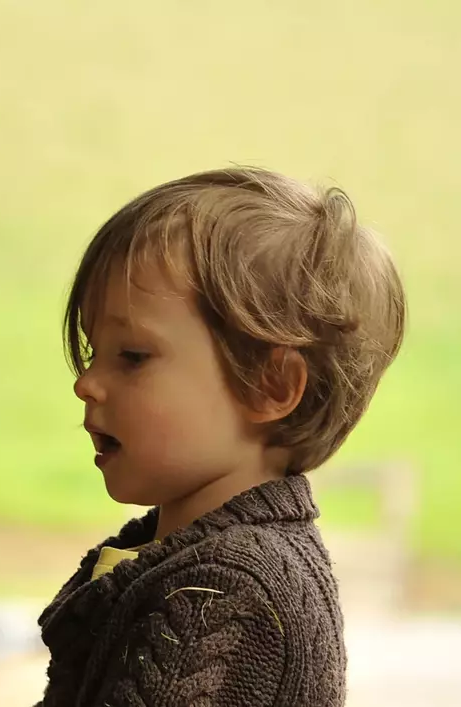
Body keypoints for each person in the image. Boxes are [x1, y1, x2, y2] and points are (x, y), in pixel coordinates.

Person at [35, 165, 407, 706]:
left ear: (269, 384)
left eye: (132, 357)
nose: (86, 383)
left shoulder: (230, 590)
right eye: (94, 353)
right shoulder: (182, 561)